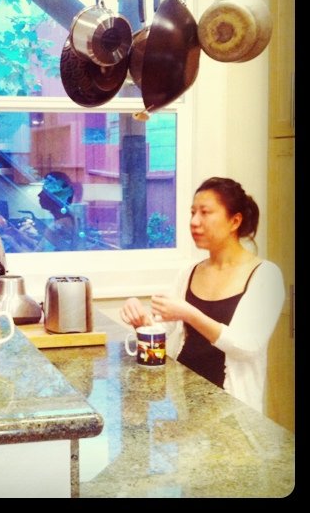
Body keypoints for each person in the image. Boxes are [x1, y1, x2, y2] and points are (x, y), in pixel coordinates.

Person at [120, 177, 285, 414]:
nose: (194, 222)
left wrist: (190, 314)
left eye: (205, 213)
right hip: (186, 402)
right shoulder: (189, 272)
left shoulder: (266, 275)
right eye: (192, 213)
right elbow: (167, 337)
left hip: (233, 412)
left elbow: (248, 346)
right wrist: (143, 324)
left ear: (234, 221)